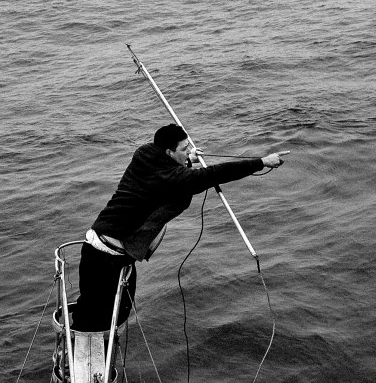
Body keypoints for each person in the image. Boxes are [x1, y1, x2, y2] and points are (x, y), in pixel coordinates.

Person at [71, 123, 287, 331]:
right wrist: (262, 162)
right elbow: (213, 175)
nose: (190, 151)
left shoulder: (144, 153)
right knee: (103, 319)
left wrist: (187, 160)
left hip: (95, 243)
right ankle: (76, 357)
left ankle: (76, 348)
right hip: (107, 259)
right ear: (168, 152)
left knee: (97, 314)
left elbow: (166, 171)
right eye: (185, 149)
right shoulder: (173, 178)